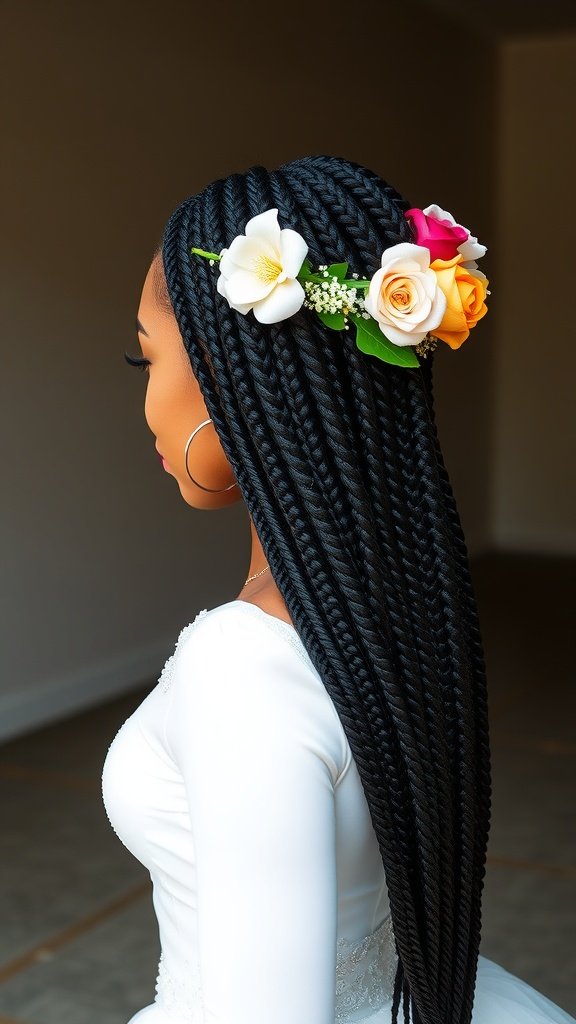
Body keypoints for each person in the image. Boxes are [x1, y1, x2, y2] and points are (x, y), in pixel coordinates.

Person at [101, 156, 575, 1024]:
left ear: (228, 372)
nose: (146, 406)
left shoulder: (242, 667)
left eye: (147, 360)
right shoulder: (402, 612)